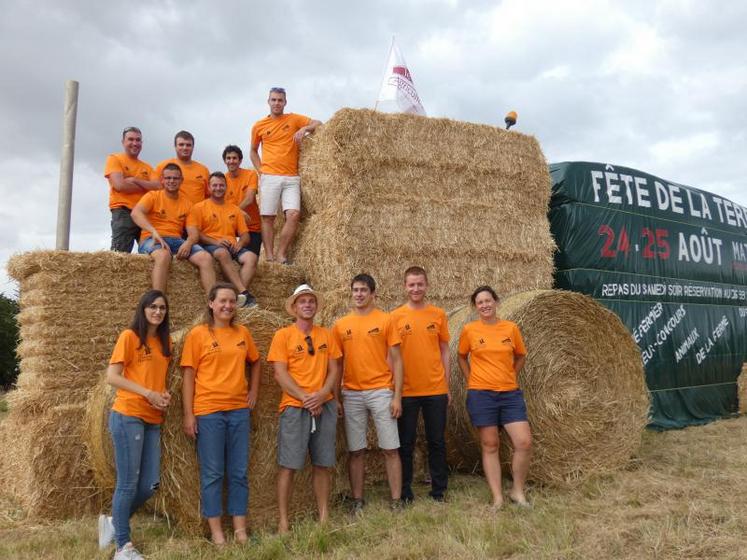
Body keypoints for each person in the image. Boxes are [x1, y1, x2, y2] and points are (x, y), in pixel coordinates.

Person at [180, 282, 261, 545]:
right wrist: (189, 415)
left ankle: (240, 530)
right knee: (213, 473)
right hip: (208, 411)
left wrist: (254, 393)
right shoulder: (198, 334)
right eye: (222, 301)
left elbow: (256, 362)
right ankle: (217, 533)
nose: (227, 306)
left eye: (231, 302)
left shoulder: (243, 333)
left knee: (238, 472)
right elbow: (188, 376)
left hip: (238, 410)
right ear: (211, 304)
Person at [98, 290, 172, 560]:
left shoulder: (164, 344)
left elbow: (157, 380)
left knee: (150, 484)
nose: (157, 312)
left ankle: (113, 522)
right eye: (152, 307)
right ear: (143, 309)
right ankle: (123, 547)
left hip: (153, 417)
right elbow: (113, 377)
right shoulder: (130, 337)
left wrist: (162, 394)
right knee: (128, 483)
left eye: (162, 308)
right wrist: (147, 393)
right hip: (128, 414)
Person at [268, 284, 341, 533]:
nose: (307, 305)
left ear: (316, 306)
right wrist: (305, 398)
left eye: (311, 301)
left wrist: (322, 395)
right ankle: (283, 521)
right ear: (294, 307)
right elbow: (279, 373)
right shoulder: (283, 336)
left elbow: (334, 370)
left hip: (325, 404)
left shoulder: (327, 335)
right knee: (288, 465)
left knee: (322, 464)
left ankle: (323, 517)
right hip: (294, 406)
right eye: (302, 301)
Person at [332, 273, 404, 513]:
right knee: (356, 450)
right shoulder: (341, 325)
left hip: (381, 391)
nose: (359, 294)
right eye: (355, 290)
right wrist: (336, 396)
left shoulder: (386, 320)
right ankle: (357, 500)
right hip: (351, 393)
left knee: (390, 448)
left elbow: (397, 360)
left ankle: (396, 500)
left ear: (373, 294)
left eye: (364, 290)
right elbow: (337, 365)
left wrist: (396, 396)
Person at [457, 286, 532, 508]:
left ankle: (517, 491)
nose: (485, 305)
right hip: (481, 395)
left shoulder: (510, 328)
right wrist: (471, 379)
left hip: (509, 394)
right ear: (475, 306)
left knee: (524, 442)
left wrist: (511, 374)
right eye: (480, 302)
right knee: (490, 444)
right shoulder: (469, 330)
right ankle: (497, 497)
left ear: (496, 302)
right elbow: (461, 356)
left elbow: (521, 356)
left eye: (488, 300)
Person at [390, 266, 450, 503]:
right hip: (406, 390)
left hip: (435, 389)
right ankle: (404, 492)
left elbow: (445, 350)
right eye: (411, 284)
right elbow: (391, 355)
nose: (416, 288)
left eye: (420, 284)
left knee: (436, 441)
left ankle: (439, 491)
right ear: (405, 287)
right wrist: (393, 388)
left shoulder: (438, 314)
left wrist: (446, 384)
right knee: (405, 443)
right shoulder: (395, 317)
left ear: (427, 285)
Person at [250, 87, 321, 264]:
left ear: (285, 102)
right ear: (268, 102)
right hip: (269, 176)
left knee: (294, 214)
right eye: (273, 100)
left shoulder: (294, 118)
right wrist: (261, 171)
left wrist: (305, 128)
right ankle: (269, 256)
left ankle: (281, 254)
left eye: (280, 100)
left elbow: (318, 123)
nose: (276, 103)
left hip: (291, 177)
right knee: (267, 217)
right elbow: (252, 151)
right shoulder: (259, 125)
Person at [130, 163, 216, 295]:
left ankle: (214, 302)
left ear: (181, 180)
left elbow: (194, 233)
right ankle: (158, 301)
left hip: (176, 240)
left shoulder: (187, 204)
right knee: (164, 255)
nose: (171, 181)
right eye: (168, 178)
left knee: (206, 258)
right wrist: (153, 231)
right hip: (151, 238)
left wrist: (188, 243)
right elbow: (136, 213)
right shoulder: (153, 196)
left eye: (175, 178)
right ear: (162, 180)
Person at [187, 172, 258, 307]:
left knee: (251, 257)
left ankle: (236, 298)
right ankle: (244, 292)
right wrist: (216, 242)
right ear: (209, 187)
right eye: (215, 185)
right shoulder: (199, 207)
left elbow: (245, 236)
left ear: (226, 187)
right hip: (210, 245)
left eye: (221, 185)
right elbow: (196, 234)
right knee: (222, 252)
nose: (218, 188)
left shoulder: (234, 209)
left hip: (232, 246)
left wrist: (240, 243)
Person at [104, 127, 161, 253]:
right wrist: (146, 186)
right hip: (124, 212)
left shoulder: (147, 167)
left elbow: (158, 187)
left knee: (153, 251)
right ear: (123, 142)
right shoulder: (114, 159)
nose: (135, 143)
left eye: (138, 140)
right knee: (120, 254)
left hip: (144, 213)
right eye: (131, 139)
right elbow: (119, 186)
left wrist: (135, 180)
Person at [223, 145, 262, 289]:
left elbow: (250, 198)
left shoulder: (251, 174)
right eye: (228, 158)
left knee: (251, 261)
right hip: (231, 229)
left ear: (240, 160)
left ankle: (239, 295)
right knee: (227, 261)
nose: (231, 161)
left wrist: (235, 211)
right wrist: (236, 213)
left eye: (234, 158)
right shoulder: (222, 180)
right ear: (225, 161)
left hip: (252, 227)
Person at [154, 131, 210, 205]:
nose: (185, 148)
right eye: (181, 144)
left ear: (193, 147)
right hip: (170, 213)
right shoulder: (162, 166)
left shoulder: (203, 170)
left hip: (196, 214)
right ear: (175, 146)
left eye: (188, 145)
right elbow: (155, 190)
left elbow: (209, 195)